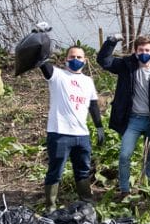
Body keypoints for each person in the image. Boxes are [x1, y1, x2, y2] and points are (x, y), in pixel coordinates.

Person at [97, 33, 150, 197]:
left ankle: (146, 188)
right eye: (141, 50)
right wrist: (111, 42)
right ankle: (124, 190)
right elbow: (104, 61)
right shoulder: (126, 65)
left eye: (147, 50)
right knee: (125, 155)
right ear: (135, 51)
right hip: (133, 120)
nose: (144, 53)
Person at [39, 40, 105, 212]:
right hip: (59, 133)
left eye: (79, 57)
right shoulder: (57, 75)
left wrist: (99, 126)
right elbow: (42, 62)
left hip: (81, 135)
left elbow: (93, 106)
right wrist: (41, 37)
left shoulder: (88, 81)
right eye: (72, 56)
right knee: (56, 170)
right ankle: (51, 205)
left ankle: (86, 200)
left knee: (83, 169)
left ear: (84, 60)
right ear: (65, 59)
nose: (75, 59)